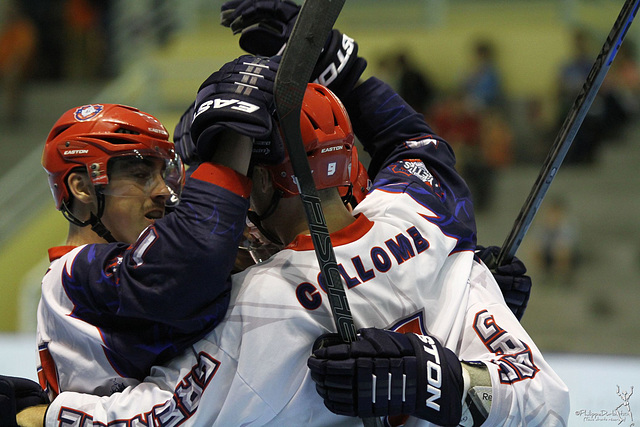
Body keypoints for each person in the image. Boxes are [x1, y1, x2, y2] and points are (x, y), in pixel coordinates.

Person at [18, 32, 568, 424]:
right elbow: (414, 146)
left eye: (167, 170)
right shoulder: (428, 215)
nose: (166, 191)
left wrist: (43, 418)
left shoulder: (258, 305)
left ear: (258, 183)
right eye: (141, 174)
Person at [35, 97, 269, 400]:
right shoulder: (71, 275)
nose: (162, 191)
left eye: (163, 175)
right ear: (81, 187)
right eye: (140, 174)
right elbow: (185, 270)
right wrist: (226, 157)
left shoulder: (100, 275)